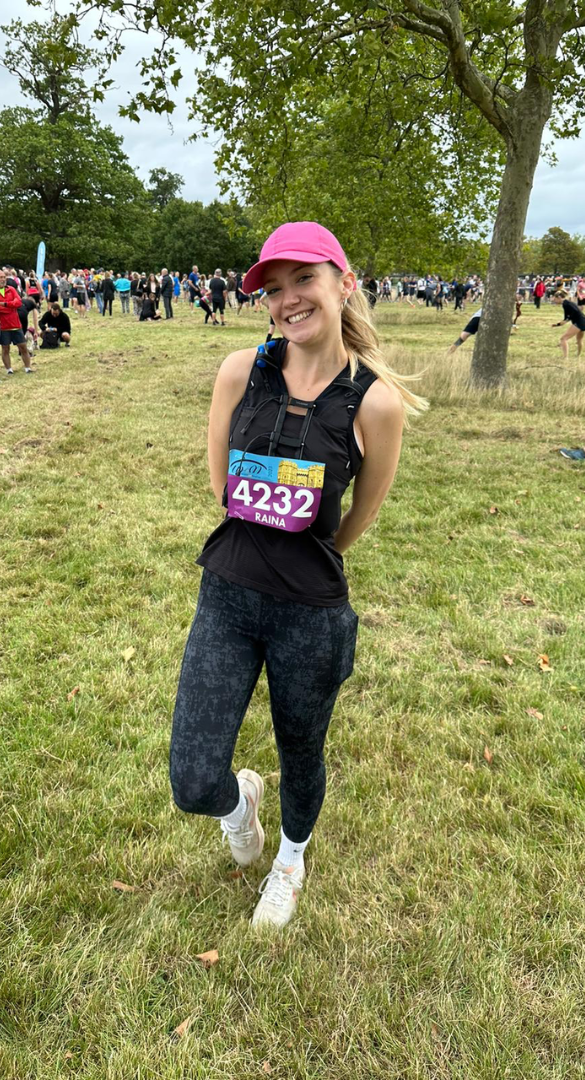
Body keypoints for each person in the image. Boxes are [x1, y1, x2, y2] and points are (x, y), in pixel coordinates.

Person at [171, 221, 427, 929]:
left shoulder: (375, 401)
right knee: (193, 779)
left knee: (301, 748)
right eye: (273, 289)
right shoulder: (239, 370)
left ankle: (290, 857)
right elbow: (222, 482)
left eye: (302, 279)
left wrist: (314, 555)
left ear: (344, 283)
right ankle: (239, 806)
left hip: (309, 613)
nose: (288, 300)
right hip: (226, 594)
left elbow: (360, 516)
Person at [0, 270, 34, 375]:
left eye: (4, 277)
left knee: (23, 346)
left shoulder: (11, 289)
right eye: (1, 277)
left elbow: (19, 302)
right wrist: (11, 306)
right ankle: (9, 369)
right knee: (5, 348)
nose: (3, 279)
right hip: (3, 326)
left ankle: (28, 367)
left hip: (15, 324)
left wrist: (5, 304)